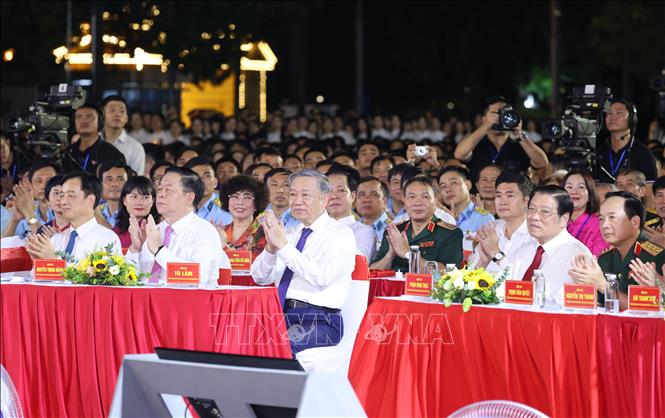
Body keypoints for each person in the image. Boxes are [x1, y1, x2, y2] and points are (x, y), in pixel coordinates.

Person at [250, 169, 356, 355]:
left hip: (320, 320)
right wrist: (271, 249)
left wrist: (282, 246)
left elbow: (322, 277)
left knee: (278, 347)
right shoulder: (290, 234)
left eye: (305, 195)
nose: (297, 201)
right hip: (280, 315)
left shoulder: (340, 234)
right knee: (240, 342)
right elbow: (259, 278)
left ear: (324, 200)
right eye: (293, 194)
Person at [125, 166, 226, 284]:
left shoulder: (205, 232)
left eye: (169, 190)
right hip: (147, 299)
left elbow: (199, 277)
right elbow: (129, 279)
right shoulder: (154, 231)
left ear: (189, 198)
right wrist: (135, 250)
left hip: (186, 301)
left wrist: (159, 251)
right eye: (160, 189)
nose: (161, 194)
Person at [569, 191, 665, 310]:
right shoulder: (605, 258)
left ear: (635, 222)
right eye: (601, 219)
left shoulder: (656, 257)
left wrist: (603, 285)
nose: (604, 225)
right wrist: (585, 284)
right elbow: (600, 303)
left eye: (612, 217)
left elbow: (644, 306)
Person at [513, 185, 593, 306]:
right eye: (531, 209)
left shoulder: (577, 255)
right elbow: (503, 285)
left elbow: (571, 303)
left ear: (564, 219)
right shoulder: (525, 248)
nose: (534, 217)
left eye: (545, 212)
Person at [371, 176, 463, 272]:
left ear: (435, 201)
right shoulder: (394, 232)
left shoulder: (449, 233)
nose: (417, 203)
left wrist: (407, 253)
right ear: (404, 201)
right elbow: (372, 272)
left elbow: (450, 274)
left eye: (425, 197)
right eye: (412, 197)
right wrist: (390, 255)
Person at [25, 172, 121, 261]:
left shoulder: (107, 239)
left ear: (90, 200)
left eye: (70, 195)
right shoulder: (55, 240)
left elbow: (100, 278)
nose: (63, 202)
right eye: (62, 195)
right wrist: (38, 261)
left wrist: (53, 261)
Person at [454, 96, 548, 182]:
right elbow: (459, 154)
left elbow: (542, 163)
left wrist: (519, 134)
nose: (500, 117)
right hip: (480, 197)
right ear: (484, 118)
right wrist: (486, 126)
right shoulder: (476, 144)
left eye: (505, 113)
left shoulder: (520, 145)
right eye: (495, 113)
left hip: (510, 198)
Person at [470, 173, 536, 275]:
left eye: (510, 195)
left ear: (526, 201)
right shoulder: (490, 228)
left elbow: (525, 278)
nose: (502, 201)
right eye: (498, 196)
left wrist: (496, 254)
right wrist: (482, 262)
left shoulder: (536, 234)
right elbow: (468, 279)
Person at [594, 99, 657, 182]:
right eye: (609, 113)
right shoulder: (598, 153)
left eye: (619, 113)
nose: (613, 117)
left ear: (632, 119)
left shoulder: (643, 154)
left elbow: (649, 193)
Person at [326, 166, 376, 259]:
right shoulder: (314, 230)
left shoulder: (364, 232)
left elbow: (359, 263)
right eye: (329, 191)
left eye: (341, 190)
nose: (334, 196)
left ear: (353, 196)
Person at [61, 103, 126, 174]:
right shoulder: (68, 153)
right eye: (79, 117)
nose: (83, 120)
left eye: (89, 116)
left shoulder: (112, 155)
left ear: (100, 122)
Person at [218, 175, 268, 261]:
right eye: (235, 196)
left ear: (256, 204)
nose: (240, 202)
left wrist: (224, 246)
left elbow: (255, 264)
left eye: (247, 197)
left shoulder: (265, 233)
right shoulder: (220, 232)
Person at [563, 169, 609, 257]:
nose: (574, 192)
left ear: (590, 195)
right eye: (569, 187)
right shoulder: (554, 222)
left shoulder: (599, 224)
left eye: (581, 187)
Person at [7, 162, 59, 238]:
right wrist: (14, 220)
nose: (43, 186)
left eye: (49, 181)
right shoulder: (26, 209)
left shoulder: (64, 210)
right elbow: (3, 244)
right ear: (31, 185)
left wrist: (28, 212)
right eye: (38, 181)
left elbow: (45, 241)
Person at [438, 166, 494, 232]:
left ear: (468, 185)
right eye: (443, 186)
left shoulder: (484, 218)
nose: (447, 189)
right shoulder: (438, 219)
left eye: (454, 183)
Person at [102, 95, 146, 175]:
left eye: (122, 111)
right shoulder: (92, 141)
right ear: (102, 115)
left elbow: (136, 182)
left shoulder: (135, 148)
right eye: (112, 110)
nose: (118, 114)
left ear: (126, 118)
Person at [113, 176, 159, 250]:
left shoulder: (159, 228)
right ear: (124, 200)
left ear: (153, 201)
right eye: (134, 197)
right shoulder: (117, 229)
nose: (139, 202)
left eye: (145, 197)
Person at [185, 156, 233, 226]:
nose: (202, 181)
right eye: (196, 176)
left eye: (207, 176)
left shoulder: (227, 209)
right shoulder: (178, 207)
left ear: (215, 182)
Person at [356, 176, 391, 251]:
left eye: (374, 195)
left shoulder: (394, 228)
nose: (366, 199)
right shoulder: (351, 228)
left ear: (385, 201)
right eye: (362, 195)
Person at [96, 160, 131, 229]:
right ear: (100, 184)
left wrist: (99, 218)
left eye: (120, 179)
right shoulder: (97, 210)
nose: (114, 184)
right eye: (109, 179)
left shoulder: (134, 212)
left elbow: (117, 239)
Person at [643, 176, 665, 247]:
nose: (663, 201)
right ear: (654, 199)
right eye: (659, 195)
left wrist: (662, 243)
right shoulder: (650, 228)